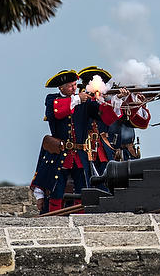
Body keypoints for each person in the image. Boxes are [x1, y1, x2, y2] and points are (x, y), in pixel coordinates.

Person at [29, 69, 102, 213]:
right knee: (56, 191)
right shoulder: (51, 99)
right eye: (70, 86)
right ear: (61, 88)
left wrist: (114, 99)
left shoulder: (83, 101)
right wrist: (78, 99)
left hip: (80, 154)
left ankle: (80, 218)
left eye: (75, 85)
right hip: (60, 153)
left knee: (82, 191)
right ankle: (53, 220)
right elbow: (58, 111)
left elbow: (104, 116)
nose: (74, 88)